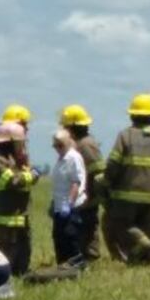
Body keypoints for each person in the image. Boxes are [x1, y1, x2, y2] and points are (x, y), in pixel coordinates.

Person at [102, 93, 150, 264]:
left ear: (132, 114)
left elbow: (113, 164)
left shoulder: (125, 136)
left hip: (126, 197)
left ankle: (147, 248)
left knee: (122, 226)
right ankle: (142, 261)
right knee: (145, 231)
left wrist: (105, 183)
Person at [0, 120, 38, 276]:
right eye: (20, 142)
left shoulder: (14, 160)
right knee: (7, 258)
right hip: (7, 221)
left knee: (23, 257)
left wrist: (26, 166)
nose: (23, 145)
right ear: (11, 142)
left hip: (21, 218)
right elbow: (13, 181)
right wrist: (32, 175)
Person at [60, 104, 105, 261]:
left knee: (88, 230)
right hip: (80, 198)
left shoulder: (85, 145)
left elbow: (99, 173)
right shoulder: (78, 144)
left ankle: (90, 258)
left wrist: (94, 195)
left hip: (87, 199)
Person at [50, 129, 88, 266]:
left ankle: (77, 266)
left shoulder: (73, 157)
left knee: (70, 237)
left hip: (71, 207)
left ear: (67, 143)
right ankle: (62, 266)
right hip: (59, 206)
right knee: (58, 238)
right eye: (55, 146)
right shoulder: (60, 159)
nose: (57, 149)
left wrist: (69, 203)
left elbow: (76, 182)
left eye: (60, 145)